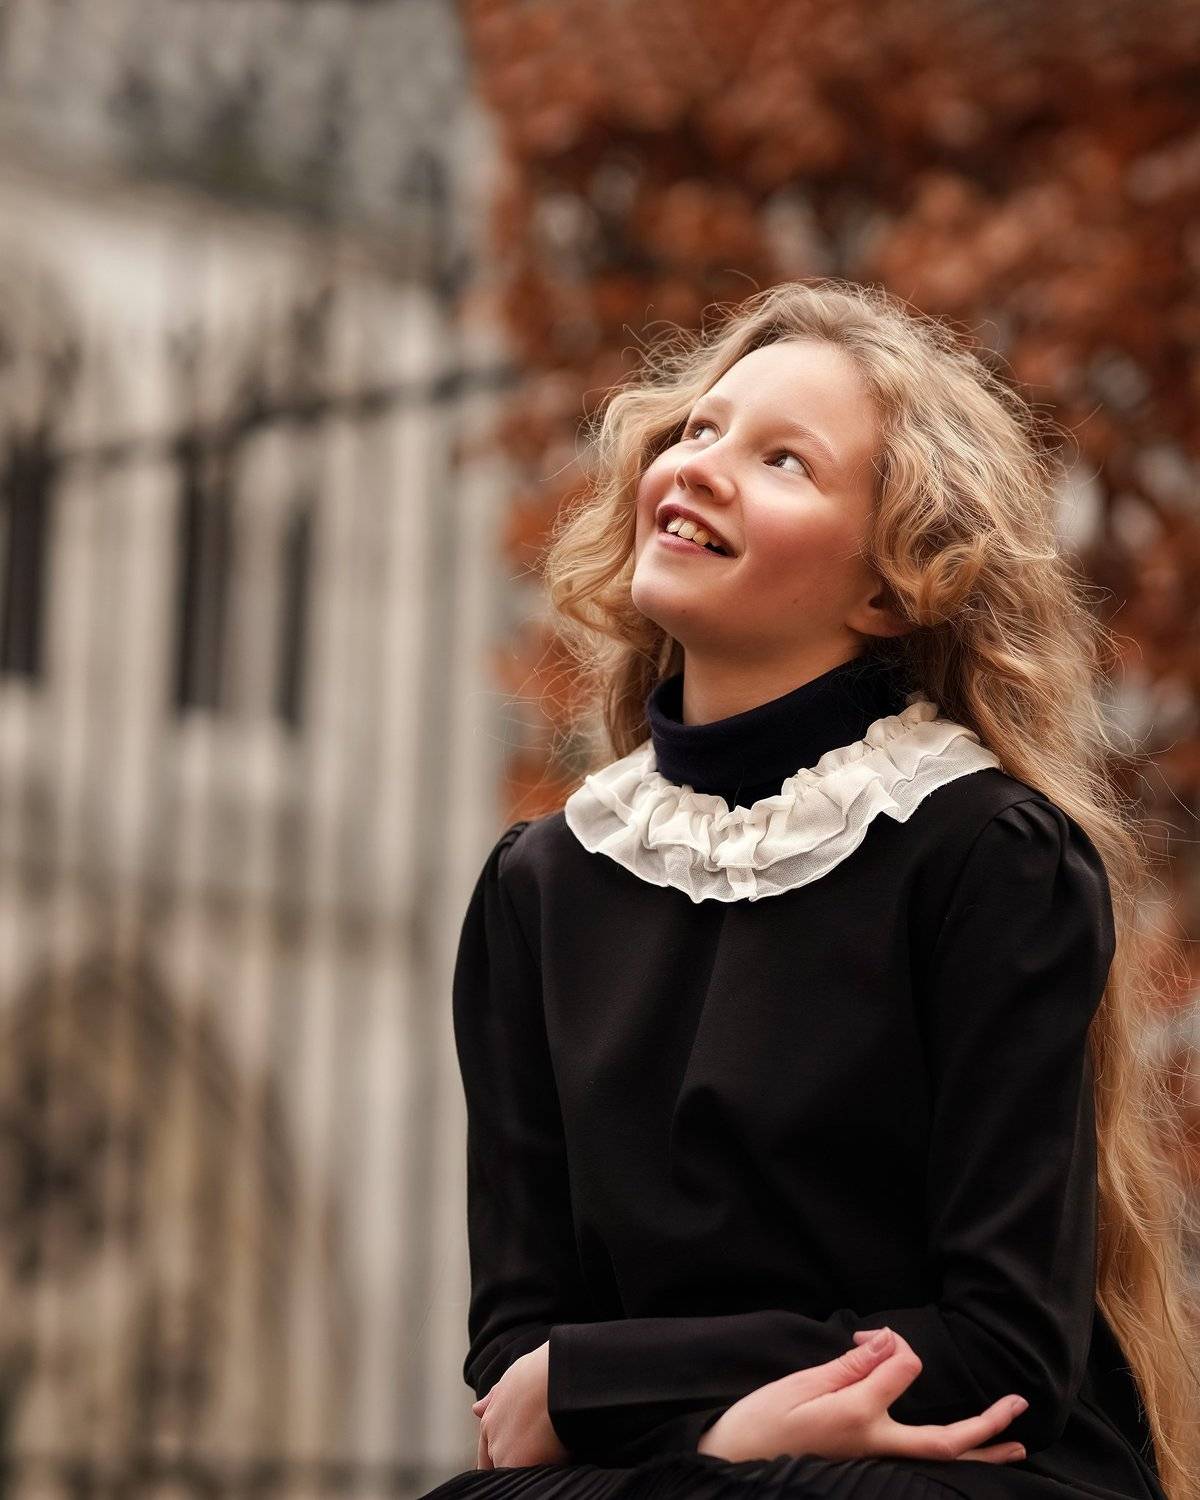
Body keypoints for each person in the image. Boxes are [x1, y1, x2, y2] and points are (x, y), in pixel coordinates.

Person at [419, 280, 1199, 1500]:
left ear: (889, 583)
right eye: (699, 430)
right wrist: (722, 1442)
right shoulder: (539, 884)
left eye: (784, 460)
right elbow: (516, 1376)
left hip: (939, 1466)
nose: (701, 466)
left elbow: (1003, 1348)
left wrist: (634, 1390)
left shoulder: (992, 857)